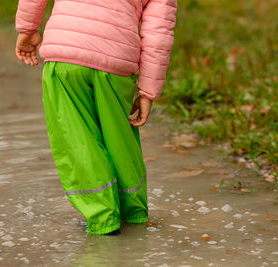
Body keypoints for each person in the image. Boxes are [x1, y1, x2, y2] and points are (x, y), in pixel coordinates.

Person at [15, 0, 177, 235]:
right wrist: (148, 91)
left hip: (65, 56)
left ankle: (103, 219)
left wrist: (27, 29)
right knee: (120, 139)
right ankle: (133, 213)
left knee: (78, 140)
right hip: (116, 64)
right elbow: (158, 33)